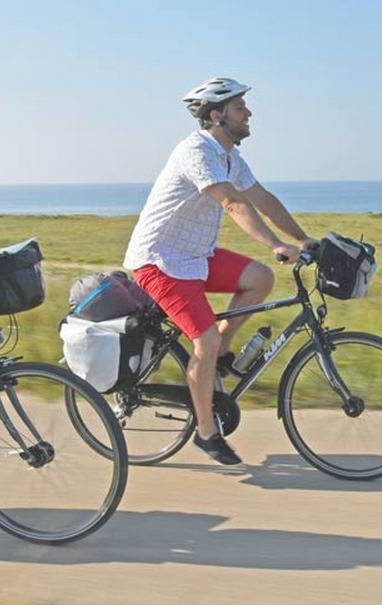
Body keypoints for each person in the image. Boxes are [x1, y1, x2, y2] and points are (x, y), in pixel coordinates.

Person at [123, 78, 318, 465]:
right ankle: (206, 432)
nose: (248, 113)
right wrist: (276, 245)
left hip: (196, 255)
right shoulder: (195, 150)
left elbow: (260, 198)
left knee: (260, 278)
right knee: (205, 342)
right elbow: (231, 201)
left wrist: (303, 238)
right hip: (159, 261)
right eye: (240, 107)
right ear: (217, 115)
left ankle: (223, 354)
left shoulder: (229, 155)